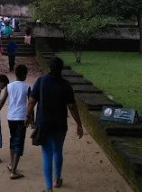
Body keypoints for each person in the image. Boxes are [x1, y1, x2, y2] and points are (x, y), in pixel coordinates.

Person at [26, 57, 84, 192]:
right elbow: (72, 106)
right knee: (58, 150)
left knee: (47, 154)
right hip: (60, 123)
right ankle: (57, 178)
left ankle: (48, 188)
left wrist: (27, 116)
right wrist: (79, 124)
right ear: (61, 69)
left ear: (50, 67)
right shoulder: (65, 84)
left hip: (44, 123)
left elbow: (31, 102)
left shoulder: (41, 82)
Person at [0, 64, 29, 180]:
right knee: (19, 143)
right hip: (21, 117)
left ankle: (11, 164)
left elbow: (2, 102)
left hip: (11, 117)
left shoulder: (9, 86)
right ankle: (13, 171)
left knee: (13, 140)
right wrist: (30, 119)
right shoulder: (27, 87)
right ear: (24, 75)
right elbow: (31, 104)